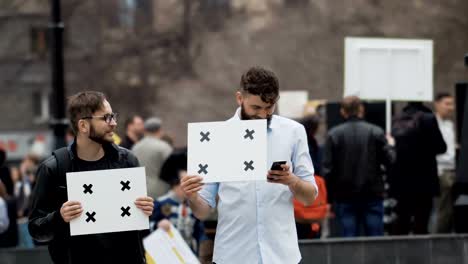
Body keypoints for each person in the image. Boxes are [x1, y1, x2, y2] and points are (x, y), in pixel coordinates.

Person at [181, 66, 318, 264]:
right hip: (233, 254)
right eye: (256, 108)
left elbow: (310, 197)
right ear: (240, 98)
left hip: (282, 254)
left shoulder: (293, 132)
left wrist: (292, 181)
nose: (263, 115)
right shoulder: (217, 137)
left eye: (269, 107)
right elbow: (202, 212)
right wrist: (192, 196)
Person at [28, 91, 154, 264]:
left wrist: (146, 210)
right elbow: (36, 229)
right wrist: (60, 217)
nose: (114, 123)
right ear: (83, 126)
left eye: (113, 117)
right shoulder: (54, 168)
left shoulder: (127, 160)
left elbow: (139, 225)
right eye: (106, 118)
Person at [322, 96, 395, 237]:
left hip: (344, 195)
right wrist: (391, 145)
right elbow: (390, 160)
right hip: (372, 193)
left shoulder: (333, 134)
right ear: (361, 109)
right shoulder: (376, 131)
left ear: (343, 111)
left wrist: (329, 199)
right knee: (375, 237)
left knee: (348, 240)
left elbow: (328, 170)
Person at [390, 102, 446, 235]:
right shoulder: (428, 118)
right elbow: (441, 147)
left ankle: (399, 252)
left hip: (402, 179)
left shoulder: (396, 118)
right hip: (424, 178)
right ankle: (420, 253)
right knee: (422, 219)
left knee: (402, 218)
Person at [151, 171, 207, 255]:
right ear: (175, 184)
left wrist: (203, 243)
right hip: (166, 252)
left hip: (188, 253)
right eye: (186, 183)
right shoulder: (160, 203)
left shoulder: (193, 205)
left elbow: (199, 230)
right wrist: (157, 225)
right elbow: (148, 226)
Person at [132, 117, 173, 199]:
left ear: (145, 130)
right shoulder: (164, 147)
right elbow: (172, 169)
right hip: (160, 192)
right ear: (159, 130)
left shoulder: (135, 147)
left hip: (139, 190)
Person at [433, 93, 456, 233]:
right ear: (437, 104)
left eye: (452, 104)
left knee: (449, 209)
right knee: (443, 209)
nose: (450, 108)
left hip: (452, 168)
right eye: (447, 104)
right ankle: (438, 238)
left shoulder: (449, 125)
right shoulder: (432, 123)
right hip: (441, 169)